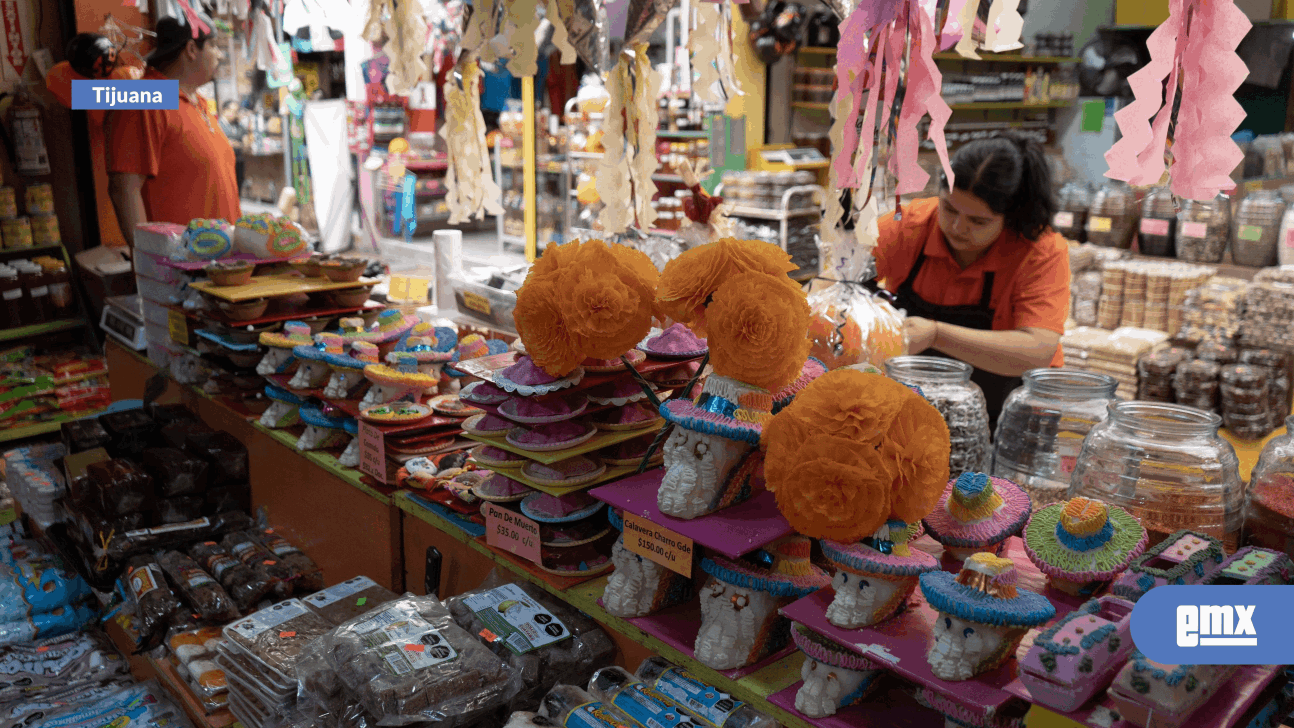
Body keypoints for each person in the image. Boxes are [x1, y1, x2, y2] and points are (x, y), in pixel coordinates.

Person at [875, 132, 1070, 431]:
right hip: (914, 409)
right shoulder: (909, 225)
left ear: (1011, 218)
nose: (957, 227)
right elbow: (837, 281)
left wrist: (936, 334)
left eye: (978, 221)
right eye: (949, 208)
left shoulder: (1038, 250)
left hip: (1008, 417)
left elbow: (1037, 349)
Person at [108, 13, 240, 245]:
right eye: (214, 46)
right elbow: (124, 189)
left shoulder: (197, 101)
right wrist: (152, 262)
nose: (219, 55)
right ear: (191, 49)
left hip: (221, 264)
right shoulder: (144, 99)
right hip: (179, 271)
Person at [218, 101, 247, 193]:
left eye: (237, 111)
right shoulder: (217, 125)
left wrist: (238, 144)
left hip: (238, 160)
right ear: (225, 110)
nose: (236, 114)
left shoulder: (239, 126)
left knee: (238, 187)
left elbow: (246, 143)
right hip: (224, 162)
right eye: (234, 111)